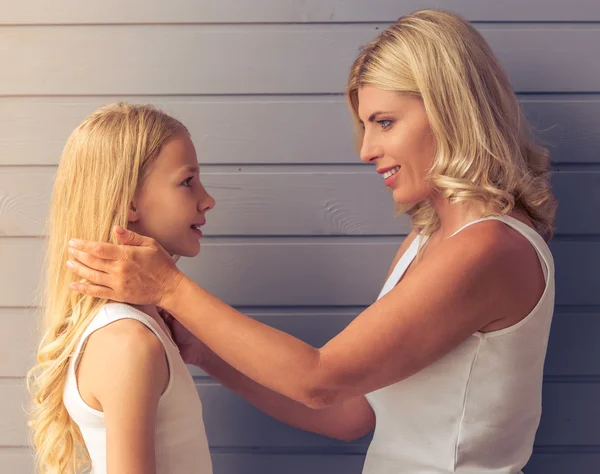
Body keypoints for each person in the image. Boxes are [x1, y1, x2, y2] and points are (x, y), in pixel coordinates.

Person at [65, 9, 558, 473]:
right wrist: (204, 352)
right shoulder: (426, 242)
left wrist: (170, 289)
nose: (366, 149)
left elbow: (320, 380)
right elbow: (349, 414)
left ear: (451, 110)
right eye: (365, 125)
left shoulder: (490, 249)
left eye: (384, 122)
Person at [26, 103, 216, 474]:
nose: (207, 199)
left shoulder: (139, 330)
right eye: (187, 181)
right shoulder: (129, 342)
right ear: (129, 202)